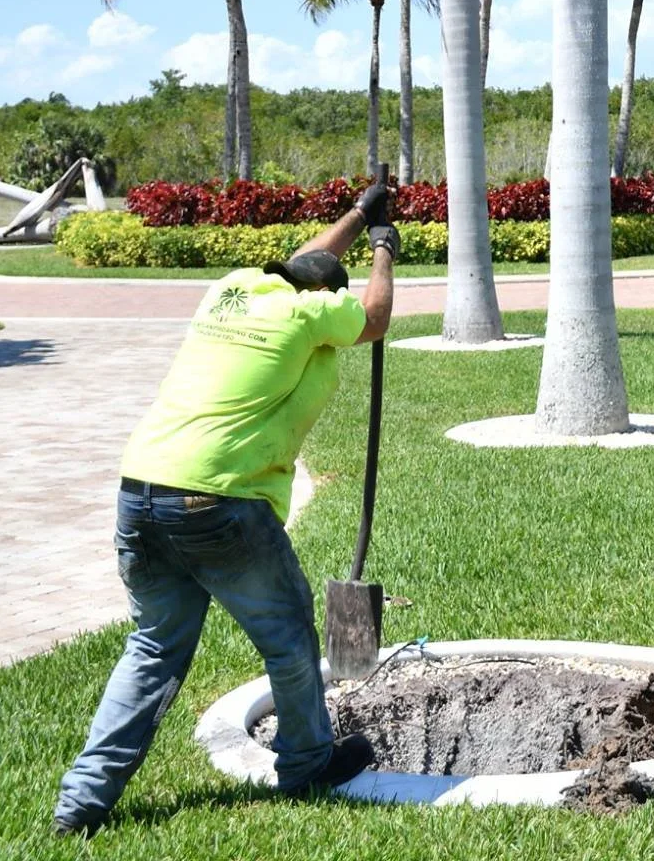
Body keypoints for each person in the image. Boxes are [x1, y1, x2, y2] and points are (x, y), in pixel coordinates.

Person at [54, 176, 400, 837]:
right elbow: (374, 317)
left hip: (139, 492)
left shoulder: (233, 290)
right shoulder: (308, 316)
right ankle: (306, 764)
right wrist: (383, 249)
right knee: (290, 635)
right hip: (218, 504)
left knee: (153, 650)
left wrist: (358, 213)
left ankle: (81, 803)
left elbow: (300, 262)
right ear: (325, 298)